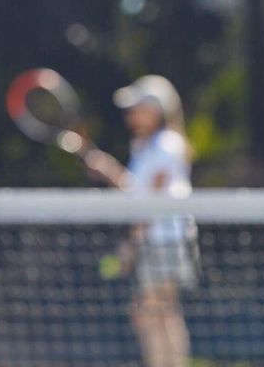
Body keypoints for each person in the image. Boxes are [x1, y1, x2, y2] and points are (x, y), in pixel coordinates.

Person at [84, 75, 197, 367]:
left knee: (150, 313)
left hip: (167, 242)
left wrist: (131, 244)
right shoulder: (143, 147)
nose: (130, 114)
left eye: (137, 107)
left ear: (157, 109)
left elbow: (153, 200)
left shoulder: (167, 145)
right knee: (160, 313)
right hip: (156, 241)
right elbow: (136, 191)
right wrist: (109, 170)